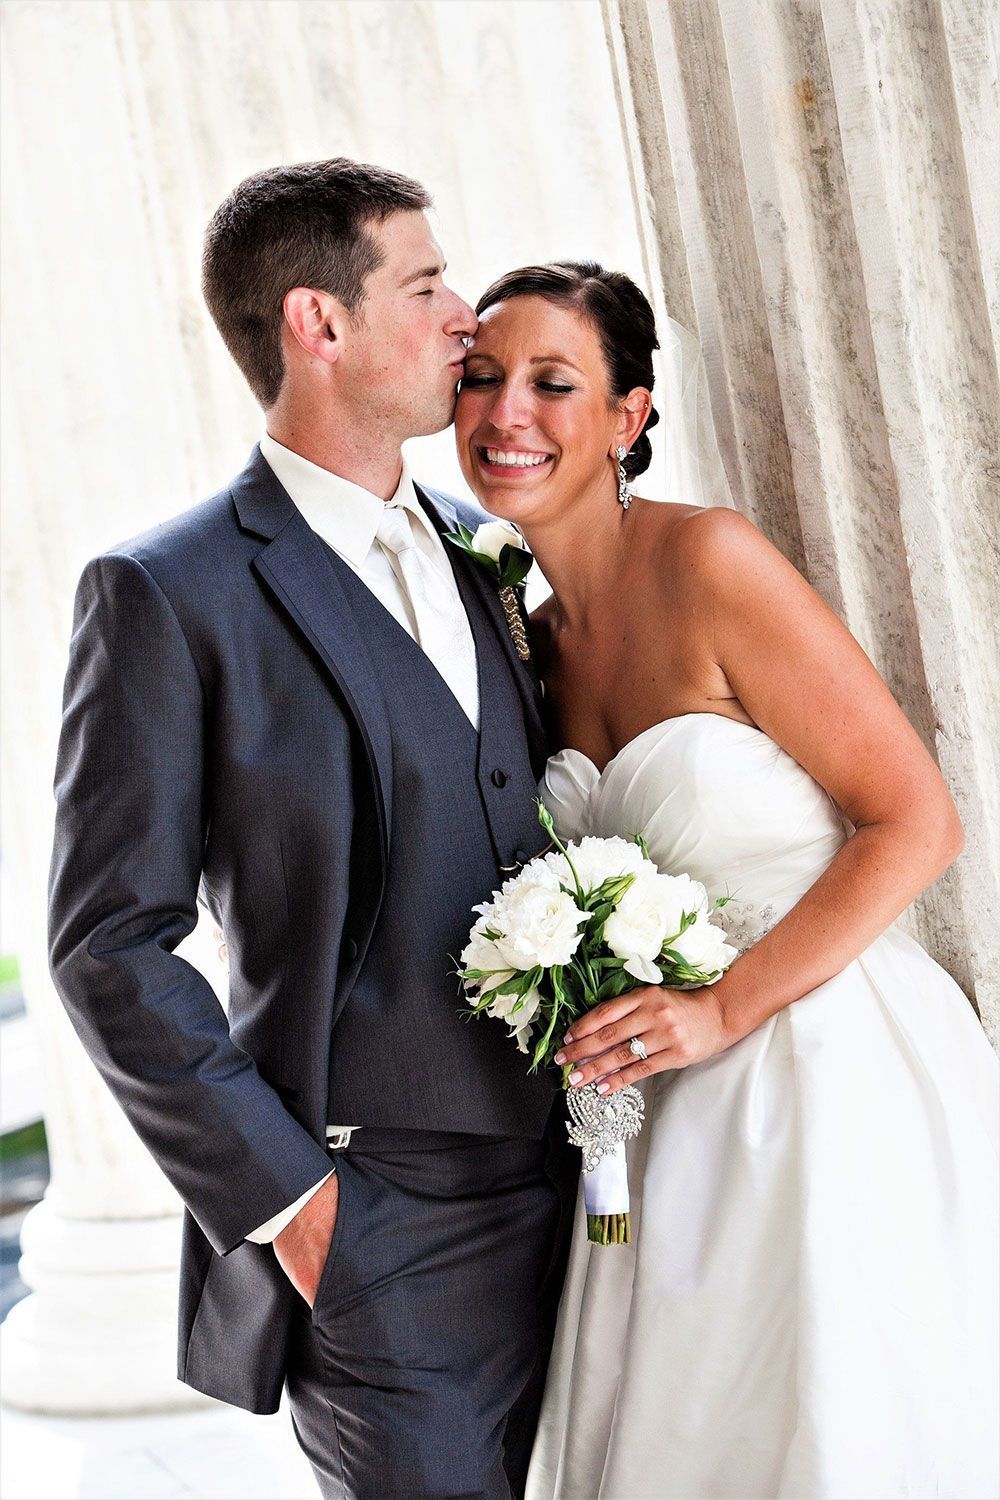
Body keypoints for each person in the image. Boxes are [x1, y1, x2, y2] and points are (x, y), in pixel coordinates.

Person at [48, 161, 576, 1500]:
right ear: (317, 325)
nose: (467, 315)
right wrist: (302, 1212)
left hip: (602, 1191)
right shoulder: (169, 593)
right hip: (384, 1231)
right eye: (425, 283)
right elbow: (111, 942)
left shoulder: (487, 548)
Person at [453, 261, 1000, 1500]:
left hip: (821, 1064)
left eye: (553, 382)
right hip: (658, 1114)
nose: (506, 415)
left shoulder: (709, 560)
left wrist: (722, 1008)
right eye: (481, 378)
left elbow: (915, 821)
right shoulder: (523, 645)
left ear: (628, 416)